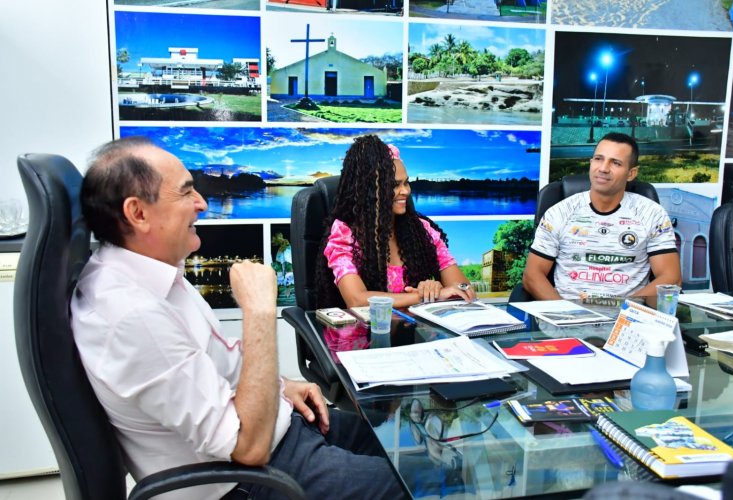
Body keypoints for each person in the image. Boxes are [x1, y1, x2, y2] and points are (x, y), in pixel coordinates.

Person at [70, 137, 406, 500]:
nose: (201, 203)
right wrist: (259, 310)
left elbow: (212, 371)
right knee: (422, 486)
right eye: (186, 194)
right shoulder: (132, 316)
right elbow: (248, 449)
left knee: (396, 447)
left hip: (277, 427)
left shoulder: (147, 271)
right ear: (138, 213)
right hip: (251, 476)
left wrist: (280, 386)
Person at [316, 134, 476, 309]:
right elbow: (357, 300)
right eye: (394, 185)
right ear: (369, 190)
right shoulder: (345, 234)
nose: (405, 191)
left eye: (406, 183)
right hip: (367, 333)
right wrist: (424, 297)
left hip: (416, 331)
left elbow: (464, 290)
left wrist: (435, 290)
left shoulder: (421, 229)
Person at [522, 132, 681, 300]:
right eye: (598, 159)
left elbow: (671, 278)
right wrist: (566, 314)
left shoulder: (652, 214)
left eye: (616, 163)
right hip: (566, 316)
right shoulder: (559, 212)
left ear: (631, 173)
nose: (603, 168)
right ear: (591, 163)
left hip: (628, 318)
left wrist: (626, 312)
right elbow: (532, 276)